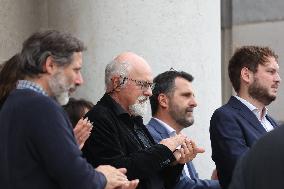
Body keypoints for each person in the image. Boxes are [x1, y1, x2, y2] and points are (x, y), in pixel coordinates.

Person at [0, 30, 138, 189]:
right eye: (76, 70)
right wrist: (102, 177)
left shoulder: (12, 103)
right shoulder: (43, 107)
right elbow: (76, 178)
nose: (80, 80)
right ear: (50, 64)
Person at [82, 52, 199, 189]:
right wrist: (164, 148)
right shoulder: (99, 118)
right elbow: (118, 171)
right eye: (143, 84)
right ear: (117, 83)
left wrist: (175, 163)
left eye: (150, 86)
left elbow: (156, 178)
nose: (149, 92)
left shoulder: (135, 120)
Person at [209, 46, 281, 189]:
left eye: (277, 73)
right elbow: (244, 170)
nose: (278, 79)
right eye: (271, 71)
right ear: (246, 75)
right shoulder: (225, 117)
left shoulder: (272, 123)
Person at [146, 70, 221, 189]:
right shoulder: (148, 136)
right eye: (186, 95)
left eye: (193, 96)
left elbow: (191, 182)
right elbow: (182, 186)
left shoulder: (179, 138)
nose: (194, 103)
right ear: (163, 100)